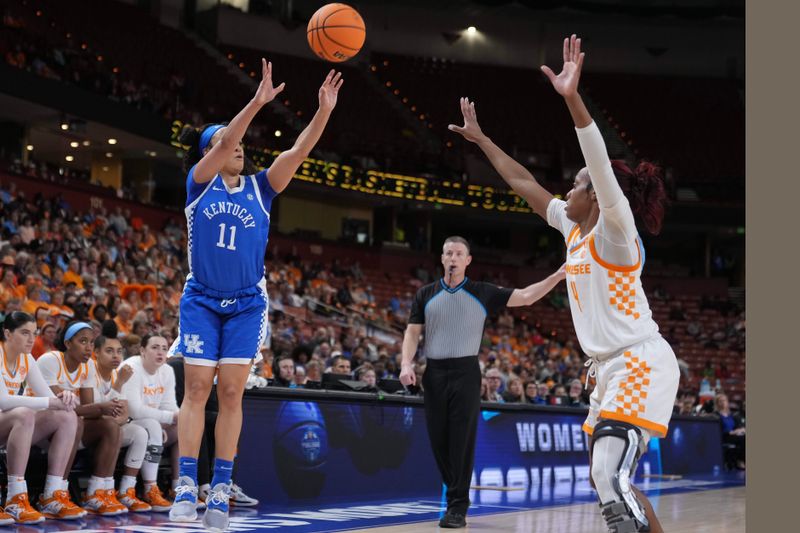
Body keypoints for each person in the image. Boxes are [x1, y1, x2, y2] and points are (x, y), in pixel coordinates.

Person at [448, 34, 678, 533]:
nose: (567, 190)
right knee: (614, 481)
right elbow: (524, 184)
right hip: (608, 369)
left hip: (639, 361)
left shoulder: (617, 233)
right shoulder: (572, 230)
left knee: (605, 473)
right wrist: (483, 140)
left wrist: (573, 100)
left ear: (596, 194)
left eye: (576, 184)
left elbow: (597, 165)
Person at [168, 57, 343, 532]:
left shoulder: (261, 189)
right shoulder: (198, 185)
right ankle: (187, 483)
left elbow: (300, 150)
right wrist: (258, 102)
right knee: (197, 390)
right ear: (209, 152)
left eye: (243, 143)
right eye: (229, 143)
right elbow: (226, 137)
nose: (239, 147)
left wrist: (323, 110)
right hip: (202, 300)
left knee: (229, 392)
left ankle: (221, 489)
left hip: (246, 304)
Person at [399, 236, 565, 528]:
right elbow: (412, 334)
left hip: (465, 372)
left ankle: (457, 506)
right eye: (448, 252)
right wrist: (405, 363)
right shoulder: (425, 294)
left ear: (468, 261)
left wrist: (558, 275)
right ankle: (455, 496)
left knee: (461, 441)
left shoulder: (481, 292)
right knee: (439, 439)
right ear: (441, 259)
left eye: (458, 253)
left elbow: (525, 296)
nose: (452, 257)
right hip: (434, 372)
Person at [37, 321, 128, 516]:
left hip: (66, 425)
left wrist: (107, 409)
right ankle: (53, 494)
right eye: (83, 341)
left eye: (92, 342)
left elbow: (89, 410)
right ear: (68, 344)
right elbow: (64, 406)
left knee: (111, 426)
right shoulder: (50, 360)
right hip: (38, 425)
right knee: (73, 419)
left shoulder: (88, 367)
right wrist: (101, 407)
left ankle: (96, 493)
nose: (89, 348)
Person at [0, 312, 81, 524]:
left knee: (67, 416)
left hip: (7, 426)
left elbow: (48, 396)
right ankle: (15, 498)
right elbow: (1, 401)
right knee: (24, 413)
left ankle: (52, 496)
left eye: (33, 333)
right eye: (24, 333)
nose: (31, 339)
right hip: (5, 420)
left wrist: (64, 397)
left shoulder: (27, 359)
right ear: (7, 333)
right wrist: (49, 402)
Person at [91, 334, 170, 513]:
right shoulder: (91, 371)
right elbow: (97, 411)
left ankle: (127, 491)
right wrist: (119, 384)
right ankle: (97, 491)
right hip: (89, 428)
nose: (116, 356)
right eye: (109, 351)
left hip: (111, 426)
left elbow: (123, 413)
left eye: (119, 351)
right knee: (115, 428)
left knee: (142, 431)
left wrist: (119, 417)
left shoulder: (117, 374)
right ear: (96, 352)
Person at [119, 333, 179, 511]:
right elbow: (135, 410)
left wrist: (179, 416)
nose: (160, 352)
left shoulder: (167, 370)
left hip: (151, 423)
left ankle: (178, 487)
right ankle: (149, 489)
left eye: (164, 348)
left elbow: (169, 405)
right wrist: (168, 418)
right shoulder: (131, 367)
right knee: (152, 425)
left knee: (184, 425)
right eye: (154, 347)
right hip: (125, 422)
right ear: (142, 351)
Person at [714, 393, 745, 470]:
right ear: (717, 403)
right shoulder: (716, 415)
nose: (723, 402)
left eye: (724, 400)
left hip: (734, 435)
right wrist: (731, 432)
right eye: (720, 401)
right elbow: (718, 430)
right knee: (743, 439)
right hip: (724, 436)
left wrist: (741, 430)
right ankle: (740, 460)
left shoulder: (732, 415)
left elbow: (738, 426)